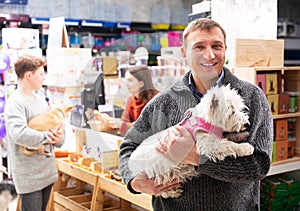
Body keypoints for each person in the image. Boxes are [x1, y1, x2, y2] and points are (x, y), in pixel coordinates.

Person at [119, 18, 273, 211]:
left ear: (225, 50)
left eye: (216, 46)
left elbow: (259, 166)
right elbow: (129, 146)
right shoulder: (163, 101)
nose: (209, 55)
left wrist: (196, 158)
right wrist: (134, 181)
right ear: (184, 53)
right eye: (199, 47)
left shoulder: (253, 97)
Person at [4, 55, 64, 211]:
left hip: (46, 172)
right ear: (29, 75)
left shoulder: (40, 100)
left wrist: (58, 137)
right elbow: (19, 134)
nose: (44, 77)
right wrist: (47, 137)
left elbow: (52, 125)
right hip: (29, 176)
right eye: (41, 74)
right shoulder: (15, 103)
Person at [118, 65, 159, 136]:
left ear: (141, 83)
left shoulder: (156, 100)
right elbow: (124, 123)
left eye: (130, 80)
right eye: (126, 80)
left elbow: (150, 129)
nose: (126, 84)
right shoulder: (131, 100)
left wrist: (121, 125)